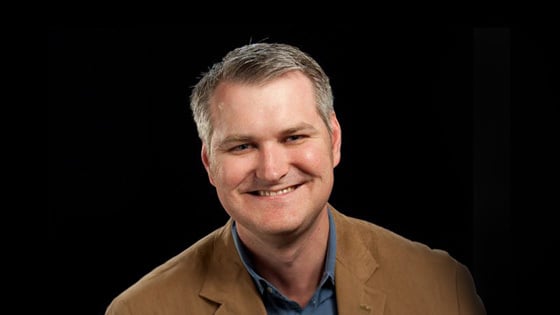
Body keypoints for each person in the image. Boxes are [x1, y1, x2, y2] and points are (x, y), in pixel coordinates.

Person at [105, 42, 486, 314]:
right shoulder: (140, 309)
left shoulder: (443, 285)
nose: (272, 171)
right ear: (209, 163)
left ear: (334, 141)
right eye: (241, 146)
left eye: (294, 137)